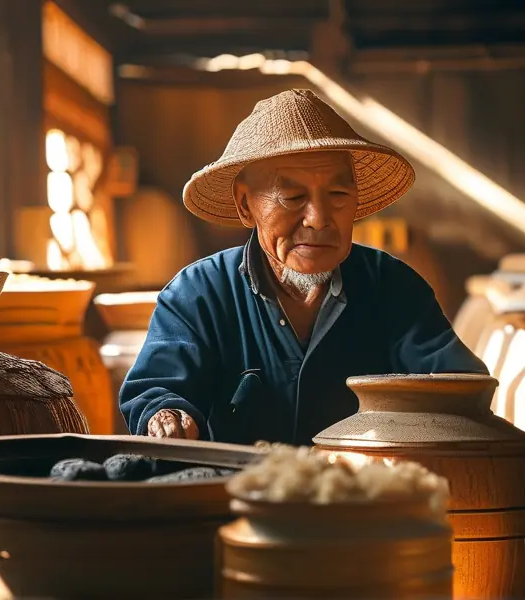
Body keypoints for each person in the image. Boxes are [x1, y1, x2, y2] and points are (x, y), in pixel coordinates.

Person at [120, 89, 488, 445]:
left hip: (366, 496)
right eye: (294, 197)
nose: (318, 219)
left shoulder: (393, 287)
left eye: (338, 195)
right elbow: (157, 390)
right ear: (246, 206)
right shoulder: (197, 293)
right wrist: (166, 416)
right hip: (237, 497)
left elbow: (461, 385)